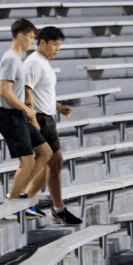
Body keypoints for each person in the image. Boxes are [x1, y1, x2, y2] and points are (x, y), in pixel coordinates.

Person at [21, 25, 83, 226]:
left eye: (59, 45)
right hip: (39, 118)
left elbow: (42, 93)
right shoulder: (34, 63)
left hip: (46, 117)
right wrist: (33, 119)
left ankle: (26, 202)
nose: (57, 49)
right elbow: (26, 92)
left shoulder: (43, 62)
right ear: (42, 43)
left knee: (51, 163)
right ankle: (57, 209)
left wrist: (58, 107)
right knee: (55, 162)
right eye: (54, 44)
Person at [0, 18, 52, 220]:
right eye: (30, 37)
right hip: (9, 116)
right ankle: (11, 205)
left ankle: (19, 194)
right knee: (27, 162)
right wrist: (26, 110)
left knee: (45, 152)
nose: (32, 41)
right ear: (20, 35)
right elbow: (4, 91)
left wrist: (28, 106)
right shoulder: (11, 59)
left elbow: (16, 91)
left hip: (18, 114)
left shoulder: (17, 58)